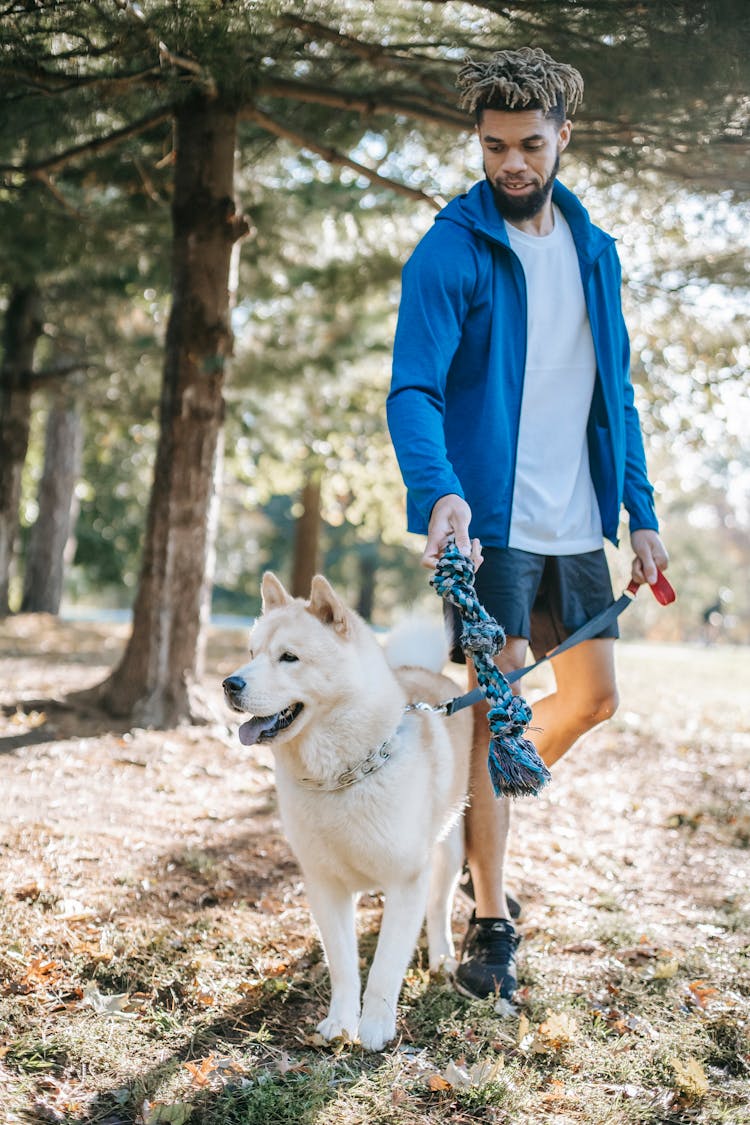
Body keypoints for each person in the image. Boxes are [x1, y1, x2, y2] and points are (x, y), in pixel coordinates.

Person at [386, 47, 669, 1006]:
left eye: (530, 145)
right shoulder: (450, 248)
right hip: (493, 527)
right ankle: (493, 921)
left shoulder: (595, 250)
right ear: (480, 142)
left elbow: (616, 393)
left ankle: (474, 811)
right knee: (497, 709)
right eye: (496, 145)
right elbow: (413, 388)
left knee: (591, 698)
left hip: (578, 518)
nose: (512, 163)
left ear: (562, 138)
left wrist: (643, 513)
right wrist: (441, 494)